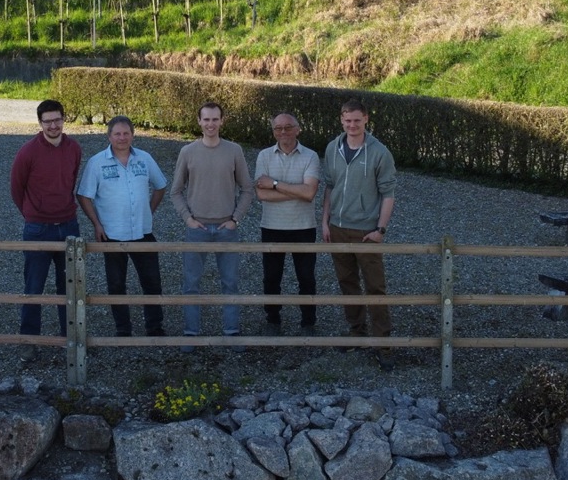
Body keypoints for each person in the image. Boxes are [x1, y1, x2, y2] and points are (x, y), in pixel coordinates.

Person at [169, 101, 255, 351]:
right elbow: (176, 191)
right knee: (191, 284)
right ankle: (191, 334)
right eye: (206, 119)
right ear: (199, 121)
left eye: (215, 119)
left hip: (227, 228)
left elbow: (247, 189)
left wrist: (235, 219)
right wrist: (187, 218)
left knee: (230, 283)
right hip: (197, 229)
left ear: (222, 121)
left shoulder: (234, 150)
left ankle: (231, 332)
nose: (210, 124)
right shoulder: (187, 152)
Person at [320, 99, 398, 371]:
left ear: (366, 119)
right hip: (338, 228)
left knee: (375, 287)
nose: (352, 125)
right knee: (347, 283)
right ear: (341, 120)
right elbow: (330, 186)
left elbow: (388, 193)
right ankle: (357, 333)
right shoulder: (333, 148)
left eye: (357, 120)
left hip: (366, 231)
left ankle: (383, 344)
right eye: (347, 120)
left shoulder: (380, 152)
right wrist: (325, 221)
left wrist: (380, 230)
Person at [76, 115, 168, 338]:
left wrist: (149, 210)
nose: (122, 138)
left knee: (152, 282)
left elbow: (161, 186)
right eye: (117, 133)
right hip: (112, 235)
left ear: (133, 135)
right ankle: (123, 329)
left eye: (126, 133)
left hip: (143, 232)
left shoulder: (144, 158)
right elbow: (84, 195)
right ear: (109, 136)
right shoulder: (97, 163)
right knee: (116, 285)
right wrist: (97, 224)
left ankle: (154, 327)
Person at [9, 99, 82, 363]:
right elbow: (16, 189)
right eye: (47, 121)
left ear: (64, 119)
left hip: (68, 226)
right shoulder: (27, 152)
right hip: (38, 229)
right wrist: (33, 214)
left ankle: (70, 338)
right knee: (34, 286)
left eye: (57, 119)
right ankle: (29, 341)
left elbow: (70, 181)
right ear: (40, 123)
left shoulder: (74, 148)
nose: (53, 125)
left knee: (70, 287)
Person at [253, 112, 320, 335]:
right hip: (272, 226)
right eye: (278, 128)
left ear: (298, 129)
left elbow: (309, 193)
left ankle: (308, 322)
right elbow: (261, 195)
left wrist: (274, 184)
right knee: (271, 277)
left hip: (304, 227)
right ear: (273, 132)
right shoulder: (264, 156)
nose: (283, 132)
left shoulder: (311, 156)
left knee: (306, 277)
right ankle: (272, 320)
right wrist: (296, 190)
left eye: (288, 127)